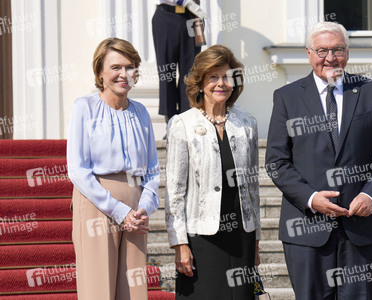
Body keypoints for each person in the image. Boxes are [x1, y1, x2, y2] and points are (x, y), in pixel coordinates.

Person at [265, 22, 372, 300]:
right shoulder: (287, 97)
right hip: (307, 228)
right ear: (308, 54)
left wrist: (370, 195)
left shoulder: (371, 92)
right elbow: (276, 162)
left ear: (348, 53)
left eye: (338, 49)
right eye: (322, 50)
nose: (330, 57)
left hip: (360, 227)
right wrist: (311, 197)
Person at [165, 44, 261, 299]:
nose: (221, 83)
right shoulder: (182, 124)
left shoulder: (247, 123)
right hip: (201, 238)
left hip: (242, 236)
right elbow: (175, 192)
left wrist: (257, 240)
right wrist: (180, 243)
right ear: (200, 82)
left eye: (227, 77)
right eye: (213, 77)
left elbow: (252, 188)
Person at [67, 38, 160, 300]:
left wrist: (145, 206)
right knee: (99, 287)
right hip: (97, 202)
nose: (124, 74)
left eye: (130, 67)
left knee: (134, 289)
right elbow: (78, 169)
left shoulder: (141, 112)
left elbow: (152, 169)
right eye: (116, 67)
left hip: (136, 205)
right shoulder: (84, 107)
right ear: (100, 72)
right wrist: (119, 211)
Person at [152, 0, 206, 123]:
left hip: (193, 16)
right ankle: (171, 123)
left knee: (191, 73)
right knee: (167, 72)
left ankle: (187, 121)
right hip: (167, 17)